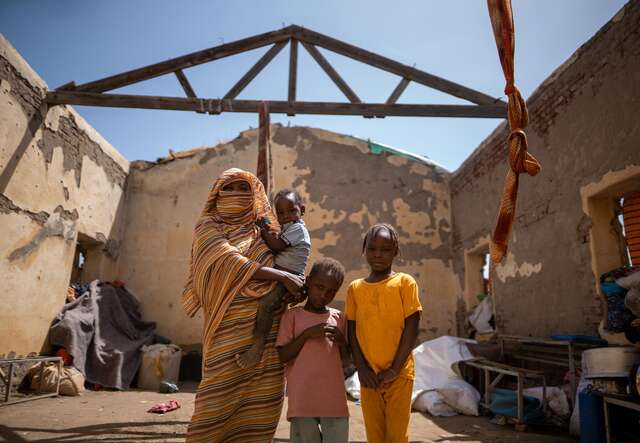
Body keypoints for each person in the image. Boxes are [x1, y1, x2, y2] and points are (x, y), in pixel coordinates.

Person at [182, 168, 304, 443]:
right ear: (218, 193)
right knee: (215, 399)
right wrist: (281, 276)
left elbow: (290, 260)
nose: (237, 194)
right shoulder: (209, 225)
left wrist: (293, 286)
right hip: (226, 328)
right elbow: (226, 260)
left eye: (244, 189)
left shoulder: (265, 228)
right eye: (231, 188)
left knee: (261, 403)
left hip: (269, 328)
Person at [346, 223, 422, 443]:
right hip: (369, 376)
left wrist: (394, 369)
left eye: (385, 249)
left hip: (398, 375)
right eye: (372, 248)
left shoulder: (405, 283)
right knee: (375, 435)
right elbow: (352, 331)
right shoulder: (355, 288)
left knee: (397, 436)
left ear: (395, 251)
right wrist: (361, 368)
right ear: (364, 250)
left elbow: (412, 327)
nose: (378, 254)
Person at [276, 258, 350, 443]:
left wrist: (341, 341)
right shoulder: (292, 316)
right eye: (319, 287)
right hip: (303, 400)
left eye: (331, 291)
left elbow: (346, 360)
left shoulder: (338, 318)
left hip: (333, 401)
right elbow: (283, 355)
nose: (324, 295)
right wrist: (306, 335)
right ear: (308, 282)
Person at [236, 189, 311, 368]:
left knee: (266, 305)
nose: (286, 216)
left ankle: (258, 346)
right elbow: (276, 234)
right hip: (283, 275)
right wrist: (267, 224)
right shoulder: (289, 227)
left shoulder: (298, 228)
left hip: (289, 279)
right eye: (281, 213)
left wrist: (262, 230)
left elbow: (276, 245)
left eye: (291, 210)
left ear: (302, 210)